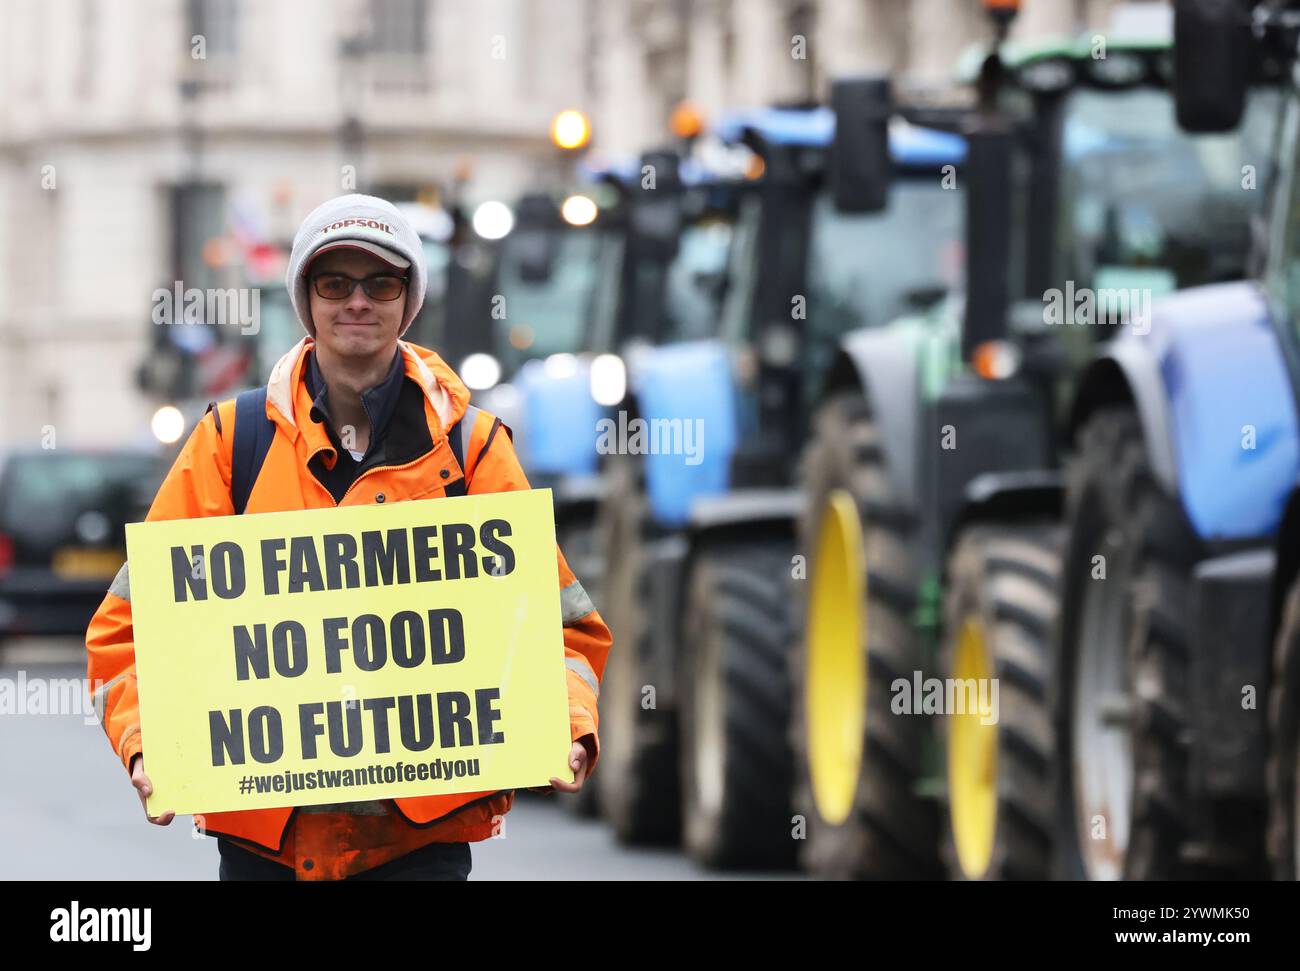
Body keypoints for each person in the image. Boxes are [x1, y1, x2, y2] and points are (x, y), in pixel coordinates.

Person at [85, 194, 612, 881]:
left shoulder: (474, 449)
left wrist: (566, 722)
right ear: (306, 299)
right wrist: (147, 743)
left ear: (407, 299)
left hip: (418, 845)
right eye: (335, 283)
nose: (357, 301)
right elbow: (128, 628)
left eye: (380, 283)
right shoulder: (227, 445)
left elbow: (560, 626)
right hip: (265, 845)